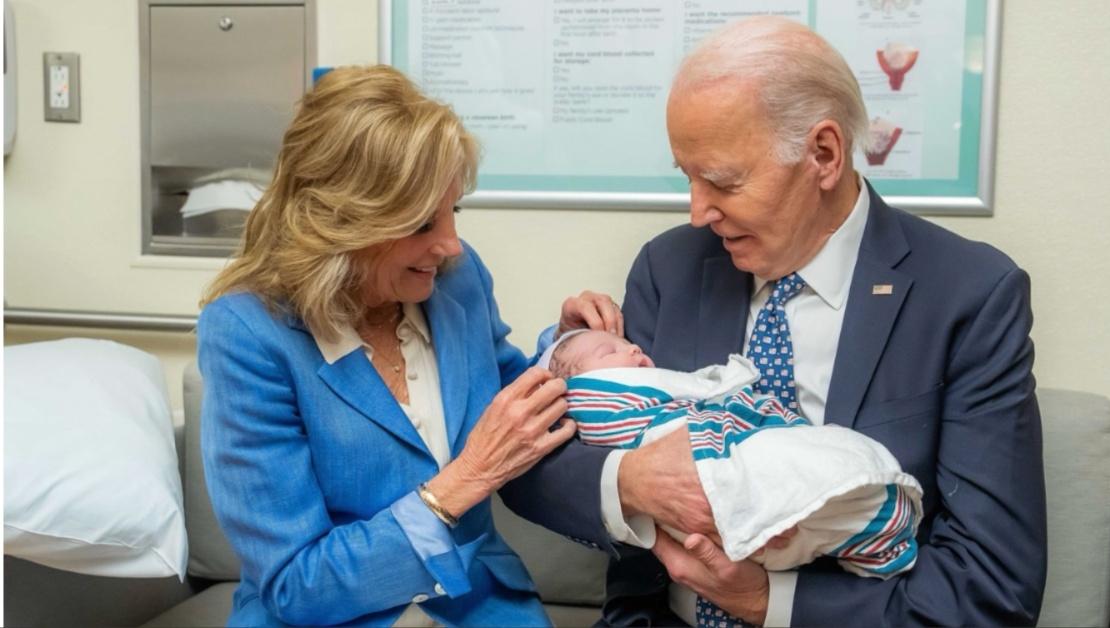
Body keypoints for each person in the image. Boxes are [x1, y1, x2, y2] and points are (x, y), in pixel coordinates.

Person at [502, 16, 1047, 627]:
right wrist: (629, 475)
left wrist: (768, 603)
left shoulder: (967, 295)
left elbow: (995, 584)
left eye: (723, 181)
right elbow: (525, 471)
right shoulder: (671, 268)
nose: (698, 212)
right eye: (688, 176)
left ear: (823, 154)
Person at [196, 65, 581, 627]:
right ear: (339, 223)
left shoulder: (456, 277)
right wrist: (463, 480)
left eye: (454, 211)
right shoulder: (249, 334)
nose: (450, 243)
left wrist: (573, 346)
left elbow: (510, 394)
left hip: (479, 603)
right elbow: (295, 586)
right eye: (422, 222)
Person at [542, 329, 922, 580]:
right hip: (676, 585)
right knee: (781, 466)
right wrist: (627, 479)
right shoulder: (662, 271)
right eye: (611, 349)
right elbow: (527, 454)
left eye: (625, 343)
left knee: (818, 454)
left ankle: (867, 511)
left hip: (821, 596)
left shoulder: (964, 289)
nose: (634, 347)